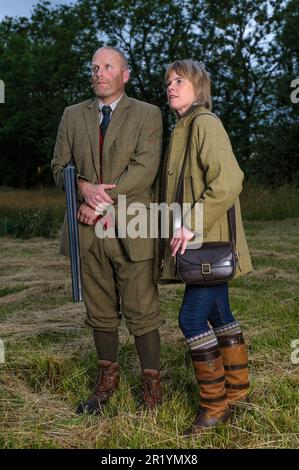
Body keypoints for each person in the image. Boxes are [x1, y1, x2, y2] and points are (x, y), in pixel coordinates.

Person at [51, 46, 164, 414]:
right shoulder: (71, 116)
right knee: (99, 311)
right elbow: (59, 167)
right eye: (95, 67)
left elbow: (144, 169)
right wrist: (82, 188)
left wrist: (97, 202)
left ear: (125, 74)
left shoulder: (148, 114)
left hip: (132, 226)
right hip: (87, 233)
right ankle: (106, 383)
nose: (99, 73)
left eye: (108, 66)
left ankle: (151, 386)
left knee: (141, 309)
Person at [156, 59, 253, 434]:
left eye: (179, 80)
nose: (171, 86)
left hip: (207, 242)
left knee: (191, 320)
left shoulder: (205, 124)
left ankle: (215, 407)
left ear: (199, 87)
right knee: (219, 315)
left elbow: (229, 180)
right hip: (203, 245)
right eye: (168, 82)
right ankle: (239, 391)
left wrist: (190, 225)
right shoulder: (182, 128)